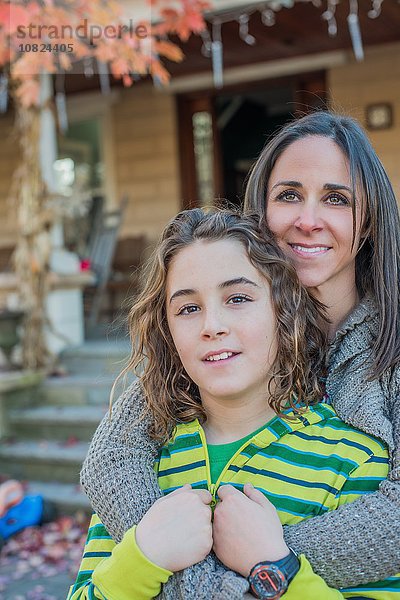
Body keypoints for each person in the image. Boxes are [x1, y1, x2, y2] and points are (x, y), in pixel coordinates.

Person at [80, 111, 400, 595]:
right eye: (288, 195)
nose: (307, 220)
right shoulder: (221, 345)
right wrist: (161, 553)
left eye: (336, 199)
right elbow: (111, 455)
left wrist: (267, 563)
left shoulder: (388, 355)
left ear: (370, 218)